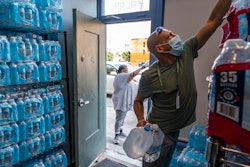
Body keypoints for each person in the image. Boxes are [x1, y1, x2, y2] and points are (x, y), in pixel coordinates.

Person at [133, 0, 233, 166]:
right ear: (160, 48)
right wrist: (141, 119)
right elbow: (138, 101)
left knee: (167, 160)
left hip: (176, 128)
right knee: (154, 164)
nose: (176, 37)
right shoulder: (149, 76)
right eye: (170, 36)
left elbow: (213, 21)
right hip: (159, 132)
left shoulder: (186, 52)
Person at [112, 64, 146, 144]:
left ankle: (120, 131)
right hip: (120, 102)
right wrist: (141, 68)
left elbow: (131, 80)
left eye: (127, 70)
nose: (127, 72)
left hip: (125, 102)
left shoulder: (123, 78)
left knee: (122, 118)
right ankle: (116, 136)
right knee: (119, 119)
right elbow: (132, 74)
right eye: (125, 70)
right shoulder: (120, 76)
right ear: (121, 71)